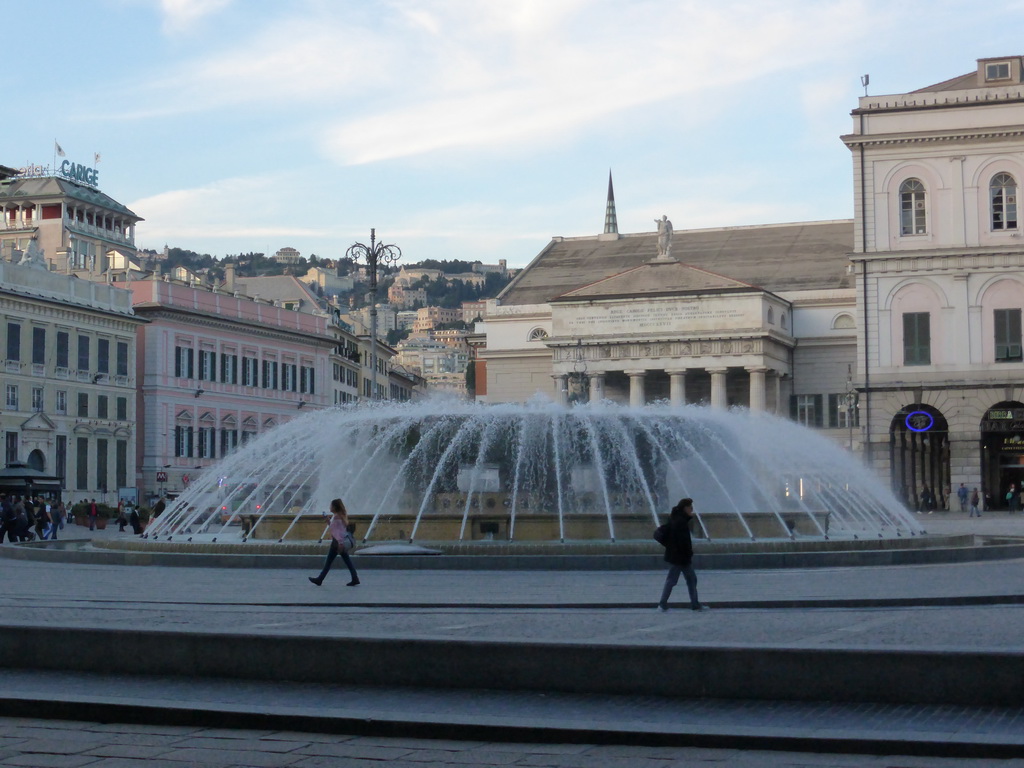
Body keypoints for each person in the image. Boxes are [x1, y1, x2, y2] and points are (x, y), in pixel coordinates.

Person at [656, 497, 703, 612]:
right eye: (690, 507)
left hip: (678, 556)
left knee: (685, 580)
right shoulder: (680, 522)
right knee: (676, 580)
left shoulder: (677, 519)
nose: (692, 509)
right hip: (680, 557)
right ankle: (662, 604)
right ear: (685, 508)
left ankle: (694, 604)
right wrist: (686, 553)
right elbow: (682, 541)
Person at [308, 498, 360, 587]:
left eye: (331, 506)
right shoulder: (342, 515)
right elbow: (339, 529)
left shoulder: (336, 517)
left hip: (337, 542)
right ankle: (355, 578)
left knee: (328, 562)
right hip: (341, 541)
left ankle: (320, 579)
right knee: (347, 561)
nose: (330, 507)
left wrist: (340, 543)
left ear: (335, 507)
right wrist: (328, 520)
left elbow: (335, 531)